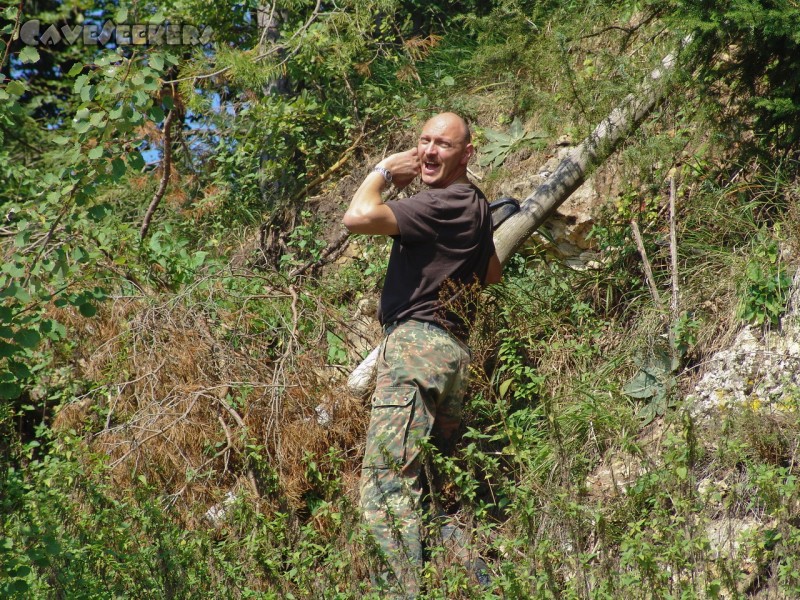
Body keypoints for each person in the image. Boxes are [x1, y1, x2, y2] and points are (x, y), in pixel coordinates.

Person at [342, 112, 502, 597]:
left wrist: (386, 172)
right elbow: (492, 275)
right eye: (424, 142)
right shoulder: (473, 204)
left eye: (444, 145)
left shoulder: (440, 202)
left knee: (387, 488)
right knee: (430, 491)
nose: (430, 152)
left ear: (466, 155)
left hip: (415, 351)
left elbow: (358, 217)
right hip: (452, 356)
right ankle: (480, 585)